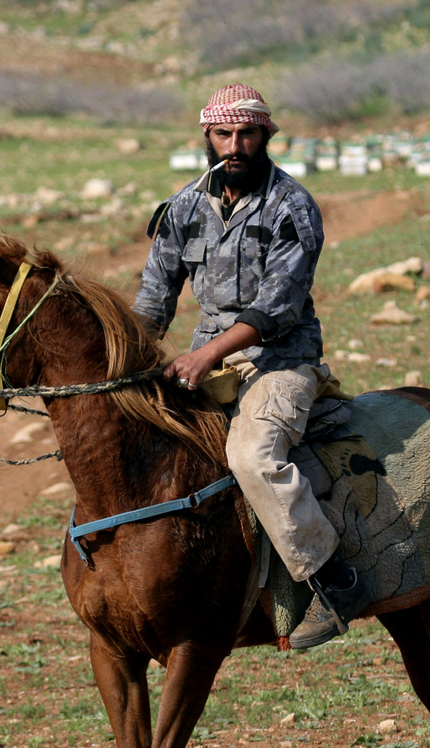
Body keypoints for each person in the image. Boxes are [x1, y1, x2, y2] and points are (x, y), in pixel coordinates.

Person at [133, 84, 373, 649]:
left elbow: (279, 306)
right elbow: (153, 297)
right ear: (207, 138)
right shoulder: (183, 208)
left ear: (265, 136)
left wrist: (206, 354)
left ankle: (332, 581)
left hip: (280, 360)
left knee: (252, 454)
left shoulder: (292, 205)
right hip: (207, 360)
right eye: (223, 134)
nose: (234, 145)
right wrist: (130, 359)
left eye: (246, 134)